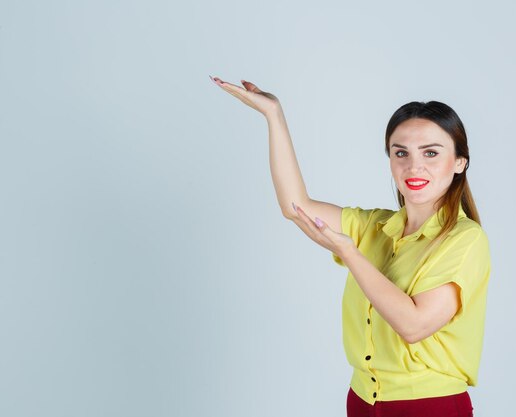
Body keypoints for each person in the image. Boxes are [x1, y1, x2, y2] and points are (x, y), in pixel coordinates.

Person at [210, 75, 491, 417]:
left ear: (460, 162)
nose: (414, 166)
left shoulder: (465, 239)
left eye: (431, 153)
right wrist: (274, 116)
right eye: (400, 152)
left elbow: (414, 325)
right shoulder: (374, 226)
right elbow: (295, 206)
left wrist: (350, 253)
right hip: (362, 401)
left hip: (428, 406)